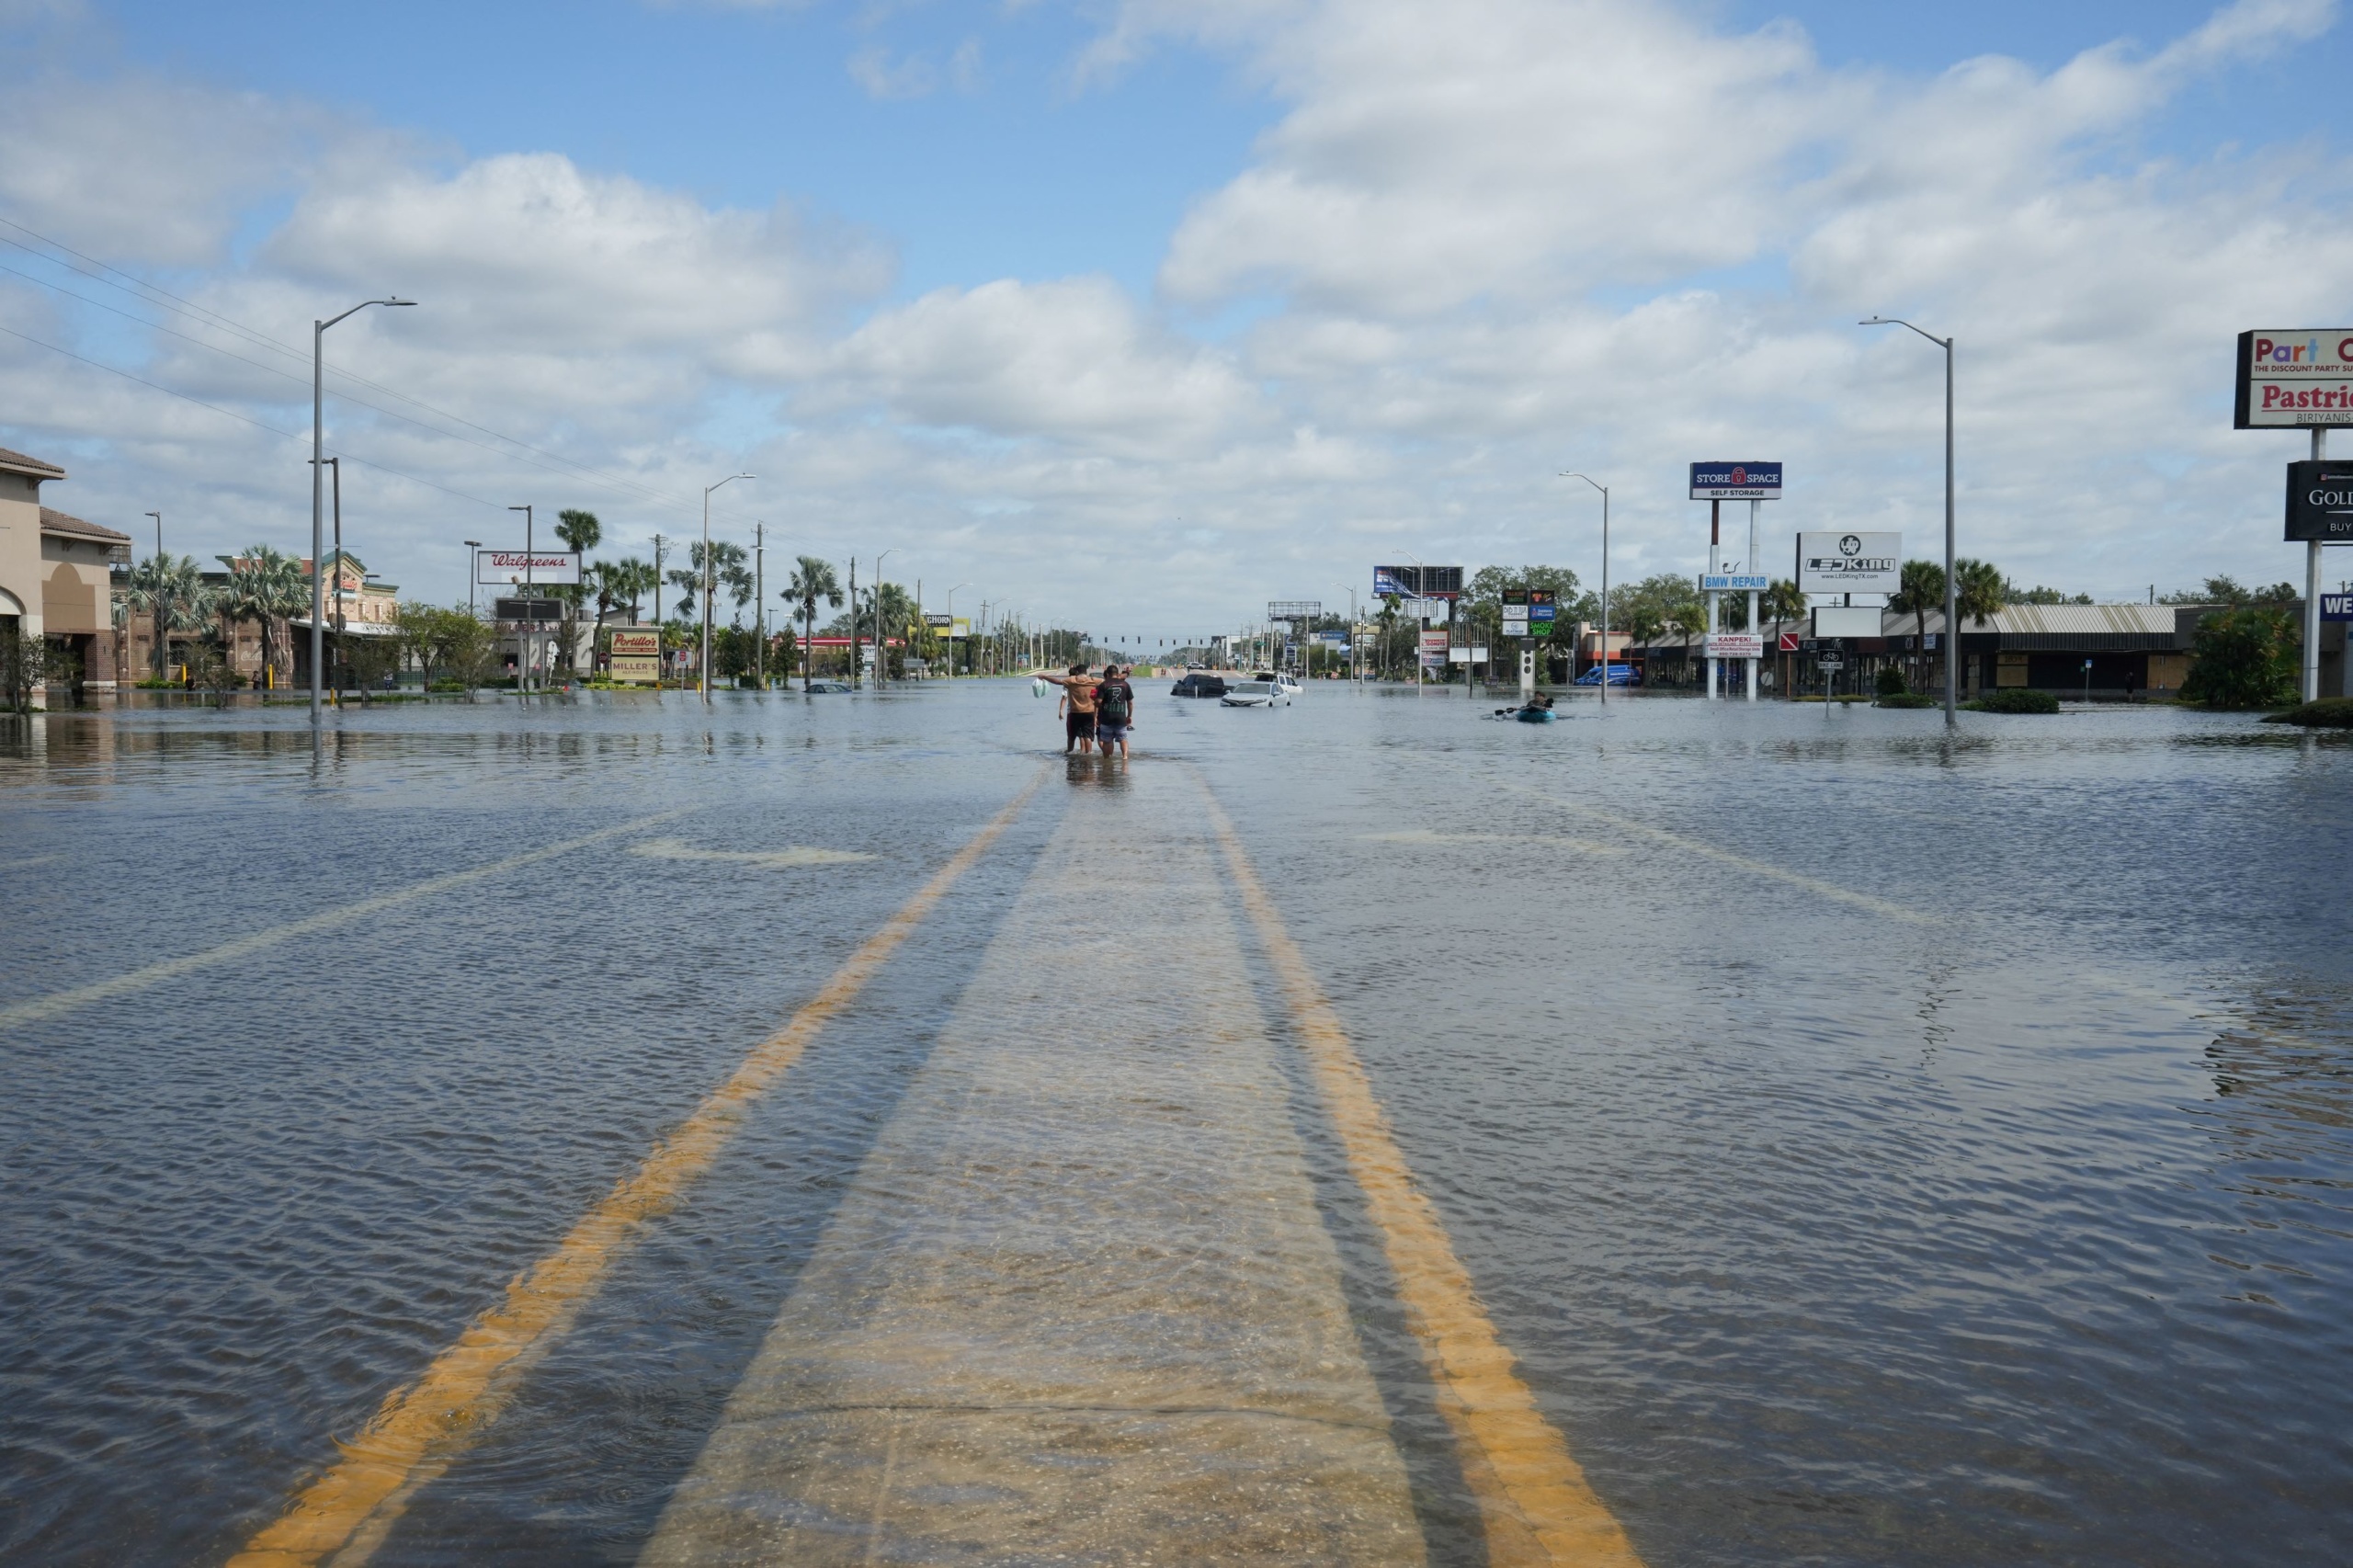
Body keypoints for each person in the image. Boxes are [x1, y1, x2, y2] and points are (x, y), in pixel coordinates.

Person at [1038, 663, 1101, 754]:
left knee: (1071, 736)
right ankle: (1089, 754)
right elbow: (1106, 682)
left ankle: (1069, 753)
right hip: (1089, 712)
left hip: (1075, 712)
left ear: (1077, 672)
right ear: (1086, 672)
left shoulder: (1072, 680)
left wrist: (1044, 677)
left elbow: (1057, 681)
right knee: (1088, 736)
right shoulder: (1093, 680)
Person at [1095, 665, 1136, 758]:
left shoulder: (1103, 685)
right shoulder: (1125, 685)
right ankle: (1125, 757)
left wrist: (1095, 702)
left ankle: (1107, 758)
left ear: (1107, 674)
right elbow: (1130, 703)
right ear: (1117, 674)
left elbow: (1099, 702)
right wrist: (1129, 716)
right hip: (1120, 718)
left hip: (1106, 718)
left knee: (1107, 741)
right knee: (1123, 739)